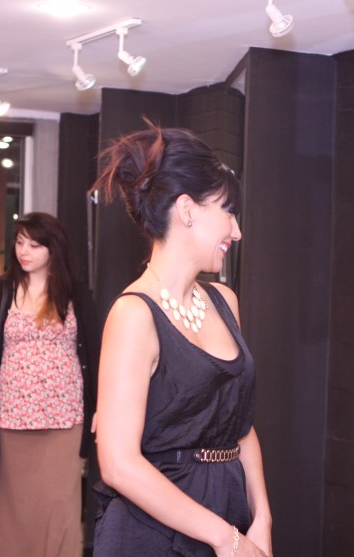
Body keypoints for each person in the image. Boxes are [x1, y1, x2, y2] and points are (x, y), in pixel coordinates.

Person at [90, 123, 273, 557]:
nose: (236, 231)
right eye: (228, 212)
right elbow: (117, 464)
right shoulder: (134, 314)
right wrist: (224, 537)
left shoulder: (225, 301)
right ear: (187, 210)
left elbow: (240, 427)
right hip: (153, 533)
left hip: (228, 517)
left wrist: (262, 519)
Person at [0, 212, 100, 557]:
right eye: (19, 242)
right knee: (9, 506)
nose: (24, 251)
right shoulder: (1, 291)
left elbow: (96, 350)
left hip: (65, 418)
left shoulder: (74, 293)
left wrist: (100, 407)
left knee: (59, 504)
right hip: (11, 417)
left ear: (53, 248)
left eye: (34, 244)